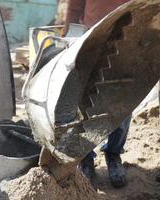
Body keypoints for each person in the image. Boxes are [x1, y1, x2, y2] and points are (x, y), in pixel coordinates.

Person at [64, 0, 132, 188]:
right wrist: (70, 35)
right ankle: (86, 157)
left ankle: (113, 154)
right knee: (86, 102)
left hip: (128, 37)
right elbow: (75, 4)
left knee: (123, 103)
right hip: (92, 37)